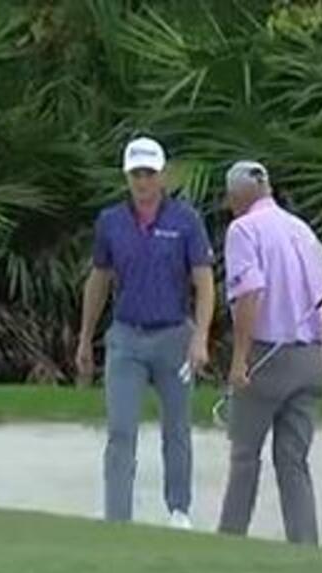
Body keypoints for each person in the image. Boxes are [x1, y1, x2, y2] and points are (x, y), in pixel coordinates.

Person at [78, 137, 216, 529]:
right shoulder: (111, 222)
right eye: (136, 174)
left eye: (150, 174)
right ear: (127, 176)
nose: (143, 182)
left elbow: (204, 282)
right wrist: (85, 337)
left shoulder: (185, 220)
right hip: (126, 337)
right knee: (121, 430)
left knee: (177, 428)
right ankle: (117, 517)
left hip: (174, 335)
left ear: (163, 176)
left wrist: (201, 336)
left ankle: (179, 511)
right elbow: (99, 279)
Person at [216, 161, 322, 546]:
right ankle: (304, 547)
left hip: (268, 356)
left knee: (244, 457)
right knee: (293, 462)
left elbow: (249, 294)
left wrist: (239, 360)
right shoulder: (300, 230)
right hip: (310, 358)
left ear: (237, 195)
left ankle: (229, 542)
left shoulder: (243, 230)